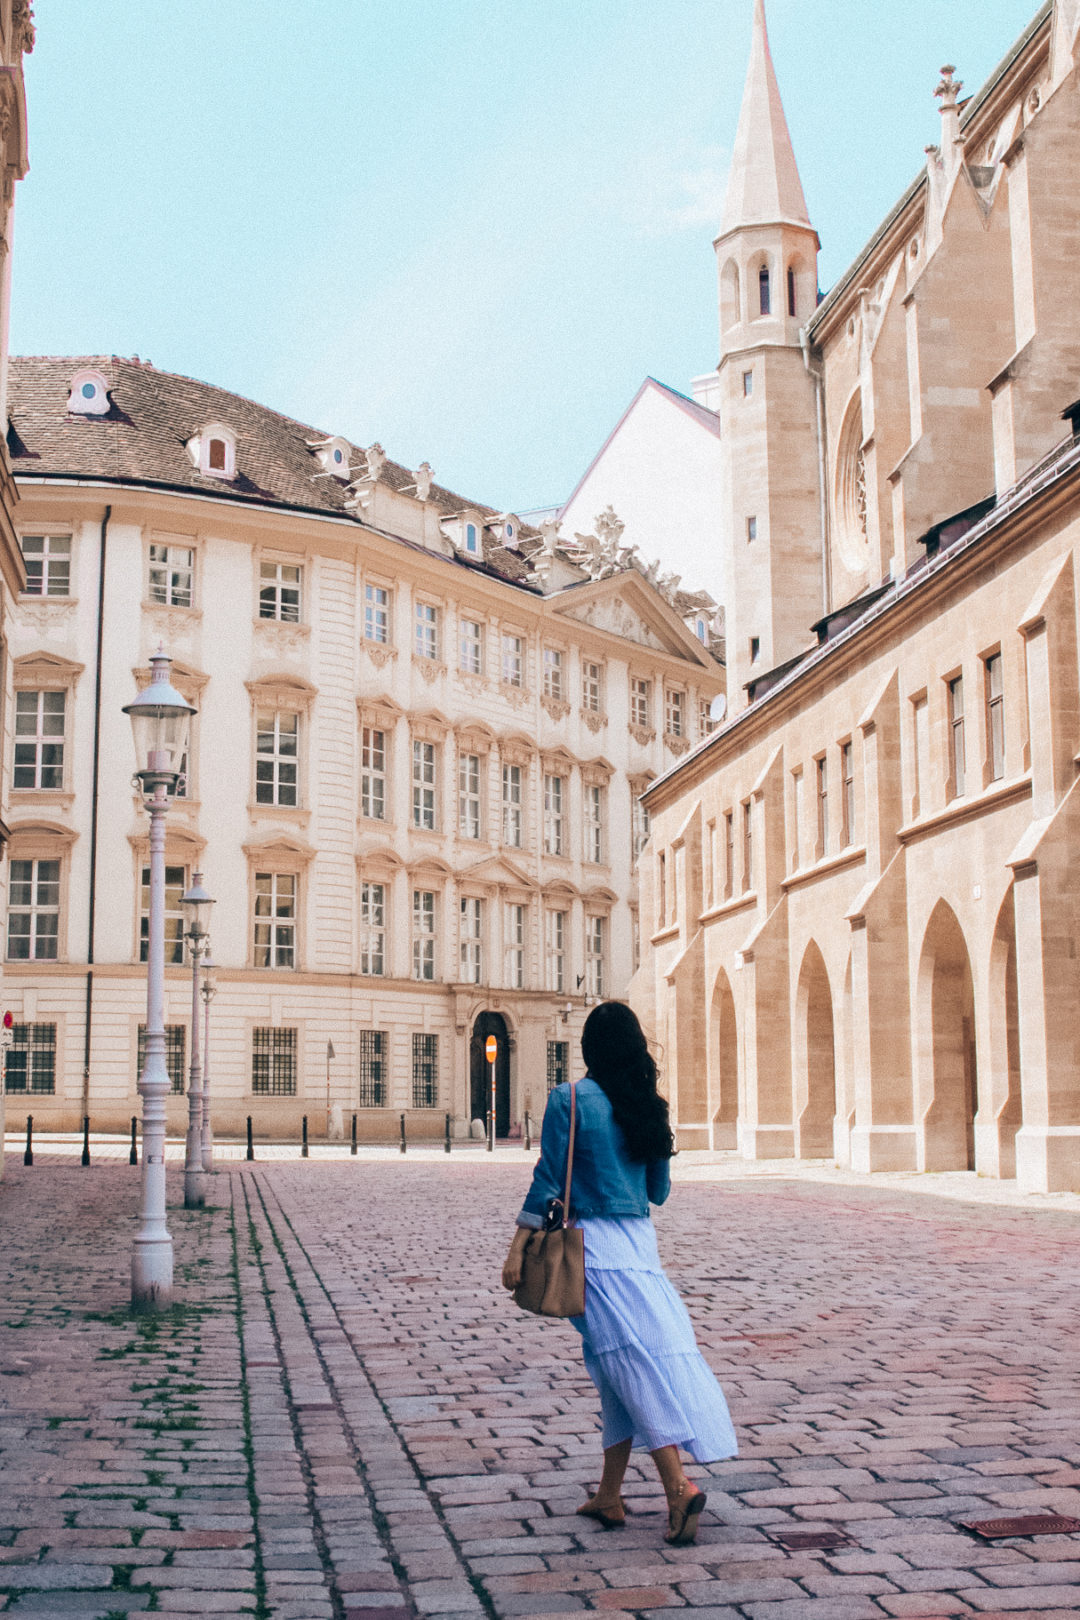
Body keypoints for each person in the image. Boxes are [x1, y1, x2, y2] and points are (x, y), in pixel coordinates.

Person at [502, 1001, 737, 1545]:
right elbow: (657, 1192)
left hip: (593, 1250)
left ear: (590, 1048)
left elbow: (547, 1182)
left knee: (627, 1366)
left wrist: (517, 1246)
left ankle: (678, 1488)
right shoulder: (649, 1104)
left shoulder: (570, 1100)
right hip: (640, 1248)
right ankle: (609, 1495)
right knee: (615, 1367)